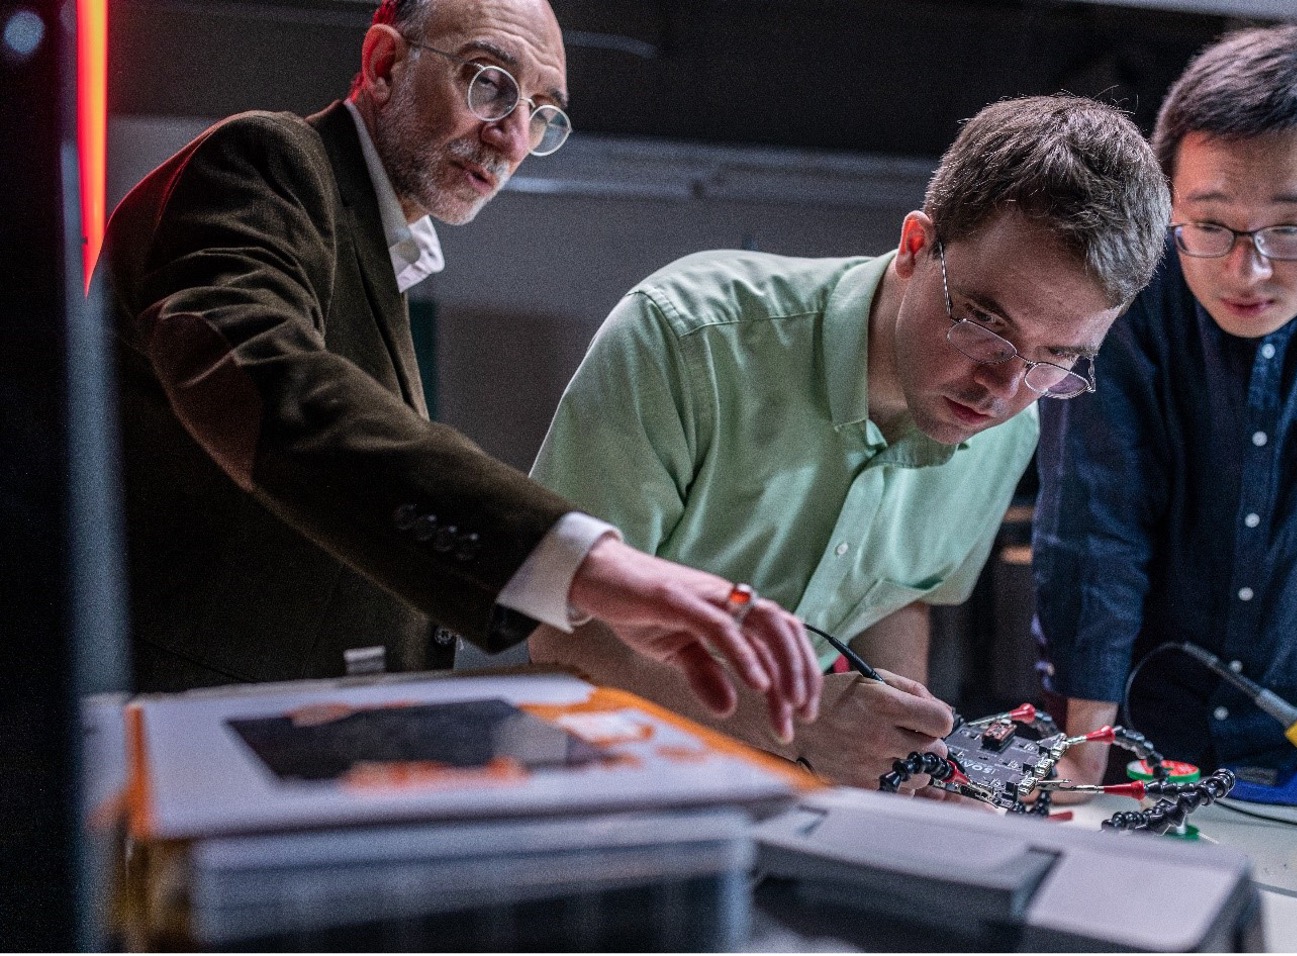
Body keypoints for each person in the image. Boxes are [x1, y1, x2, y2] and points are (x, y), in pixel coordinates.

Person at [99, 0, 822, 740]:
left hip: (274, 740)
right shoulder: (266, 159)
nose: (512, 137)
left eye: (541, 113)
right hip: (170, 741)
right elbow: (271, 385)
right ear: (384, 65)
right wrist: (591, 566)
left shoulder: (379, 245)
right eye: (490, 84)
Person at [527, 95, 1172, 787]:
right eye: (987, 323)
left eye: (1058, 358)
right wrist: (798, 730)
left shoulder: (1011, 426)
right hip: (593, 792)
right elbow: (564, 635)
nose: (1002, 386)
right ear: (916, 247)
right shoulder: (685, 340)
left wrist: (905, 763)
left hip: (778, 805)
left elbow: (895, 596)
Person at [1034, 22, 1297, 787]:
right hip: (1134, 737)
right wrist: (1082, 767)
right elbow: (1095, 529)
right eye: (1209, 224)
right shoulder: (1126, 277)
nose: (1246, 271)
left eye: (1289, 230)